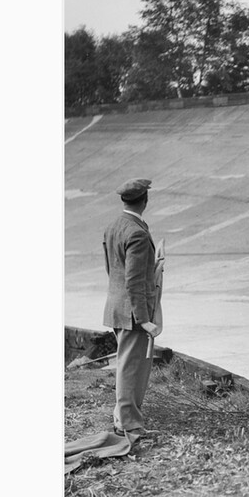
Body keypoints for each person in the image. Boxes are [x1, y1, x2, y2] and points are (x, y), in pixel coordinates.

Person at [102, 178, 163, 440]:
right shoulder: (137, 232)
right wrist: (144, 319)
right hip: (133, 314)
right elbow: (134, 280)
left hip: (118, 308)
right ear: (145, 201)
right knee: (131, 369)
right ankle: (129, 425)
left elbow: (112, 269)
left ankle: (124, 419)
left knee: (128, 365)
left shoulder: (114, 226)